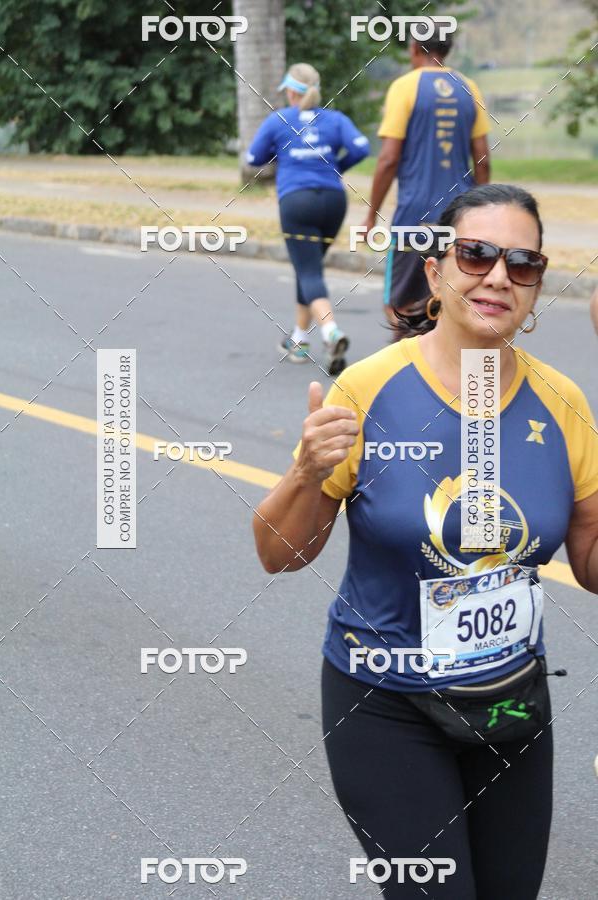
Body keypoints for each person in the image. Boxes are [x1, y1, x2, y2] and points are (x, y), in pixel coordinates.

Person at [253, 184, 598, 898]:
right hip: (385, 701)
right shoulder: (369, 388)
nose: (498, 276)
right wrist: (305, 472)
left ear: (536, 287)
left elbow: (591, 565)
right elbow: (278, 553)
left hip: (509, 701)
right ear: (437, 269)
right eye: (476, 254)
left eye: (522, 263)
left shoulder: (563, 404)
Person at [246, 63, 369, 374]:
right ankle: (299, 340)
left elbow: (251, 158)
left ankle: (331, 333)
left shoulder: (279, 120)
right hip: (333, 201)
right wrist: (337, 166)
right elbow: (362, 147)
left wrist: (276, 155)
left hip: (297, 202)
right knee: (309, 268)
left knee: (310, 272)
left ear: (291, 91)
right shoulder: (335, 119)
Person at [364, 31, 491, 329]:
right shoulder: (469, 87)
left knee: (400, 309)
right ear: (447, 49)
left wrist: (371, 215)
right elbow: (482, 157)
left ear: (413, 49)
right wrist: (484, 212)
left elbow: (388, 159)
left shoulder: (404, 87)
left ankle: (410, 369)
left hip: (414, 218)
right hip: (460, 218)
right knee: (451, 303)